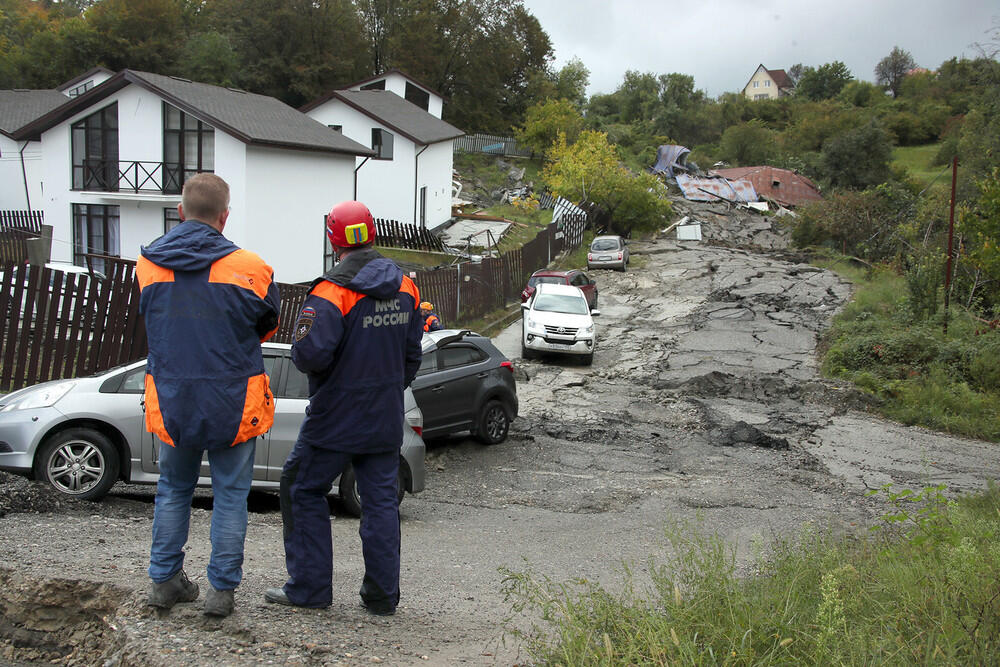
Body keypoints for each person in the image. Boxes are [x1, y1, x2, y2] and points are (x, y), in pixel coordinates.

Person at [264, 200, 423, 614]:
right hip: (385, 417)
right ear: (372, 233)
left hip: (335, 417)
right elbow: (412, 355)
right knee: (382, 503)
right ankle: (382, 598)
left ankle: (310, 588)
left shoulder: (331, 292)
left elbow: (309, 356)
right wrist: (386, 390)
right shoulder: (405, 286)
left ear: (334, 239)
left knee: (301, 487)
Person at [137, 173, 280, 618]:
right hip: (233, 400)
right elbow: (267, 327)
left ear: (180, 212)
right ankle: (221, 593)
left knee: (174, 489)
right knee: (232, 495)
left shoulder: (148, 265)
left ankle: (164, 583)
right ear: (225, 216)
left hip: (173, 397)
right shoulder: (252, 268)